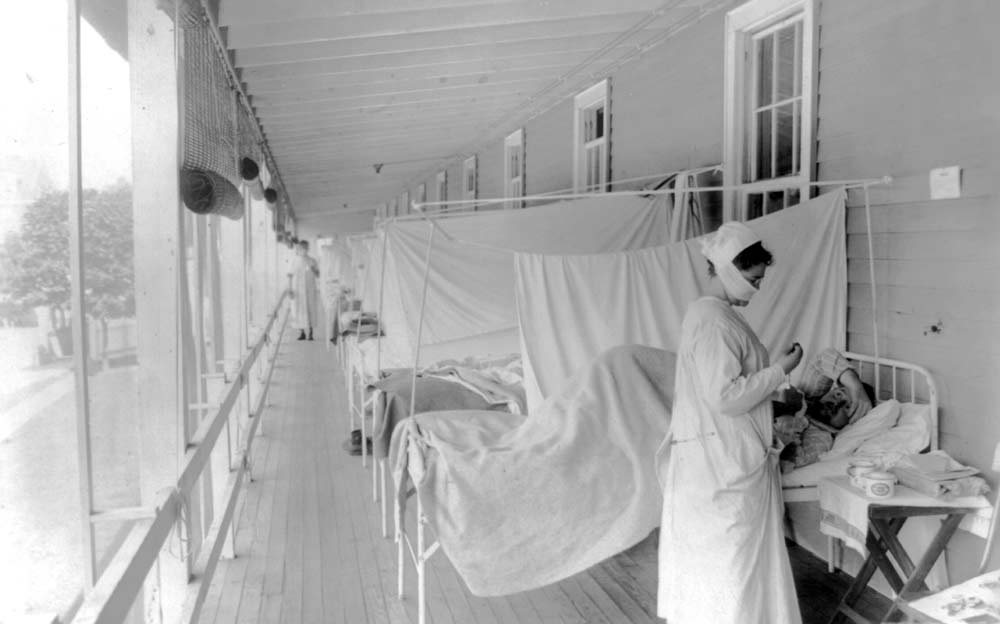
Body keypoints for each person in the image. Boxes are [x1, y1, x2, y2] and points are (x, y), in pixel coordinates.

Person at [657, 221, 804, 624]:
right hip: (720, 457)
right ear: (730, 271)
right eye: (753, 280)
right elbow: (723, 397)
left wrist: (774, 384)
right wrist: (779, 370)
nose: (756, 290)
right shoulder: (713, 320)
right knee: (729, 561)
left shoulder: (716, 315)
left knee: (731, 560)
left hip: (719, 451)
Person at [292, 240, 320, 341]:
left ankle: (311, 333)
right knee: (300, 311)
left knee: (310, 310)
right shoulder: (295, 261)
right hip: (298, 290)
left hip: (310, 290)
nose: (303, 250)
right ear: (298, 248)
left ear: (307, 248)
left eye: (305, 247)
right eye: (301, 248)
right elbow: (290, 275)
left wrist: (313, 269)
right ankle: (302, 333)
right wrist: (290, 289)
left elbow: (318, 275)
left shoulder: (312, 261)